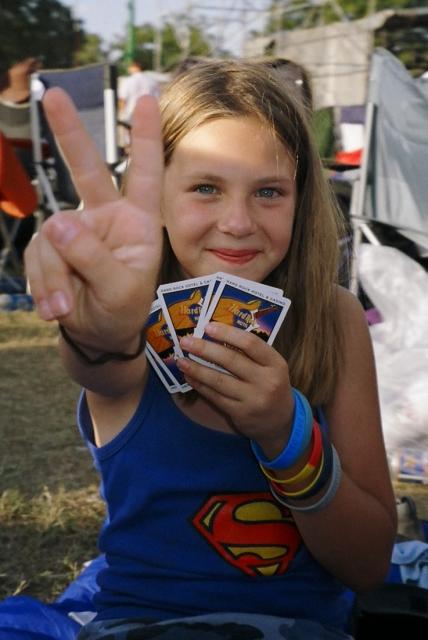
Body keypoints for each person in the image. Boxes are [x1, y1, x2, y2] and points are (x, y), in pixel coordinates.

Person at [24, 59, 397, 639]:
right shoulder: (127, 321)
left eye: (269, 192)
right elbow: (102, 362)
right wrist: (94, 331)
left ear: (301, 202)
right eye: (205, 188)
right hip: (142, 624)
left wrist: (286, 435)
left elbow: (369, 563)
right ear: (159, 200)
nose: (238, 221)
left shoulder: (335, 319)